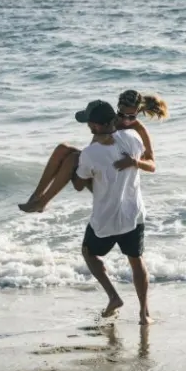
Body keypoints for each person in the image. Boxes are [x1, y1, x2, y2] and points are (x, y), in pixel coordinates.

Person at [70, 99, 155, 325]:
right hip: (132, 214)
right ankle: (144, 314)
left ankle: (114, 297)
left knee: (89, 252)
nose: (88, 127)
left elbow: (79, 185)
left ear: (95, 126)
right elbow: (148, 161)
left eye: (89, 123)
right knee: (136, 261)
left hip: (105, 219)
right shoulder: (134, 138)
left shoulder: (89, 153)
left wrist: (72, 168)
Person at [18, 90, 168, 213]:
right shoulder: (110, 120)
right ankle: (36, 196)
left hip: (114, 184)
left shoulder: (139, 130)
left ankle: (43, 202)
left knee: (73, 158)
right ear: (117, 109)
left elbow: (152, 165)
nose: (126, 121)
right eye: (122, 115)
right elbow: (94, 148)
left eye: (131, 117)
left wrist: (135, 162)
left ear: (138, 112)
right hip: (100, 171)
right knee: (62, 149)